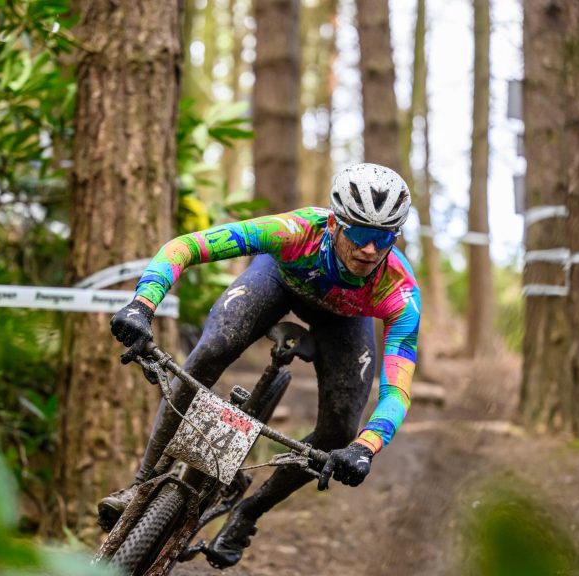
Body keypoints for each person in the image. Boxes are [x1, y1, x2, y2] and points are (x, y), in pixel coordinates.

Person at [101, 163, 421, 568]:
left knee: (340, 430)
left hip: (344, 320)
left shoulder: (399, 290)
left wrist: (365, 446)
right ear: (334, 223)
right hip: (278, 282)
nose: (370, 250)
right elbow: (184, 247)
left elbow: (397, 390)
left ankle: (247, 513)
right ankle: (143, 483)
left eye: (383, 238)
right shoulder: (294, 230)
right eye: (359, 233)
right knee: (212, 350)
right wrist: (142, 305)